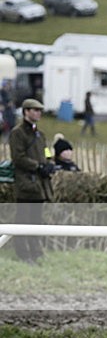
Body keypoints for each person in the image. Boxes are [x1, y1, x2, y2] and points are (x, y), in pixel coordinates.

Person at [9, 98, 54, 264]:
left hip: (40, 184)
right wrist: (38, 166)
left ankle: (36, 252)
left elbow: (46, 152)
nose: (38, 113)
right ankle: (23, 254)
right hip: (26, 183)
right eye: (35, 110)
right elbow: (18, 158)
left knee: (36, 220)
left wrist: (49, 164)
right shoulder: (18, 133)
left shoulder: (40, 134)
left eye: (40, 110)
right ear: (26, 112)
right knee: (23, 220)